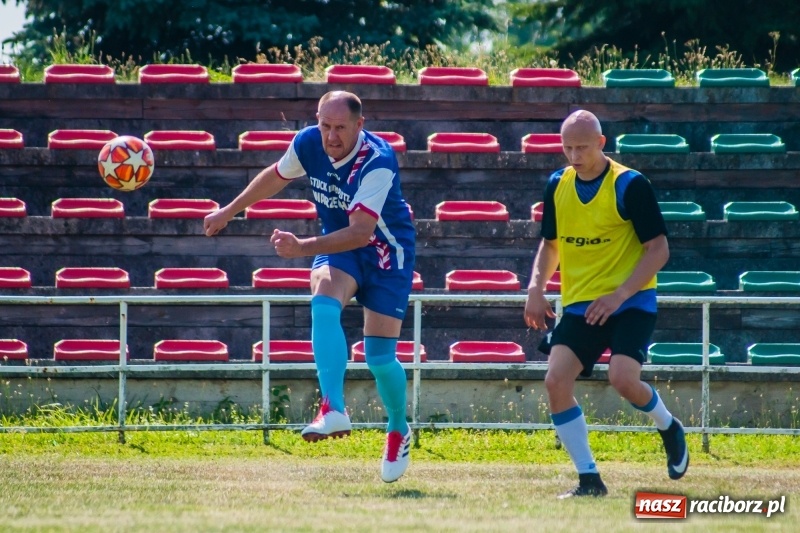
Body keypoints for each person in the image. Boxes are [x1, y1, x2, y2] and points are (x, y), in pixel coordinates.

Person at [204, 91, 415, 483]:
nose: (331, 136)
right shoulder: (307, 142)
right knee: (322, 296)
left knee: (379, 358)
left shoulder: (378, 161)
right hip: (341, 246)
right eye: (325, 125)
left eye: (340, 127)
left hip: (387, 254)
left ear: (359, 126)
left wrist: (302, 247)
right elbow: (276, 174)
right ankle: (333, 407)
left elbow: (361, 232)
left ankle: (399, 428)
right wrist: (229, 210)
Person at [523, 110, 688, 498]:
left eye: (582, 147)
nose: (575, 155)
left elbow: (658, 250)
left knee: (623, 379)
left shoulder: (630, 185)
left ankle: (668, 425)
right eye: (567, 148)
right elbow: (550, 244)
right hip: (582, 303)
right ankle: (589, 479)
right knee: (555, 380)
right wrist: (535, 287)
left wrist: (619, 294)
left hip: (630, 300)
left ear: (601, 142)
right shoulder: (557, 184)